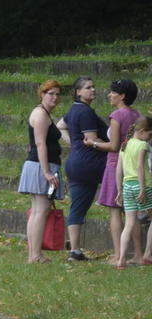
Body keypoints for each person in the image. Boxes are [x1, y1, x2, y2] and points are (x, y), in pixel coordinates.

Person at [87, 79, 142, 265]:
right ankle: (138, 254)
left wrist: (93, 143)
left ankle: (119, 255)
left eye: (113, 92)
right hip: (133, 165)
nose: (109, 95)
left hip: (115, 165)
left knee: (115, 211)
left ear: (122, 96)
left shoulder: (117, 115)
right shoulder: (137, 114)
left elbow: (114, 146)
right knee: (131, 212)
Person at [57, 77, 108, 261]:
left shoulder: (73, 109)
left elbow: (60, 126)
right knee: (120, 192)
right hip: (92, 163)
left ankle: (75, 251)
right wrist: (114, 145)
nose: (93, 90)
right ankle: (140, 214)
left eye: (93, 86)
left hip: (74, 163)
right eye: (88, 87)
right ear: (78, 92)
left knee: (77, 207)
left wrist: (74, 143)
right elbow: (92, 140)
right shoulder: (85, 112)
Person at [18, 80, 65, 263]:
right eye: (50, 93)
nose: (54, 97)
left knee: (38, 210)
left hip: (39, 165)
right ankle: (35, 254)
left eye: (57, 94)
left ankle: (34, 254)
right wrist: (46, 172)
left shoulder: (43, 114)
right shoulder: (40, 115)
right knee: (40, 210)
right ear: (42, 94)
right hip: (40, 166)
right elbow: (39, 144)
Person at [113, 115, 152, 269]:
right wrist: (142, 188)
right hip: (142, 185)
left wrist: (119, 190)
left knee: (129, 223)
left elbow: (118, 170)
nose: (150, 138)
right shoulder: (143, 146)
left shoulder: (125, 145)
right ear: (142, 131)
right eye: (150, 135)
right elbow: (141, 168)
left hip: (127, 186)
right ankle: (147, 254)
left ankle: (121, 259)